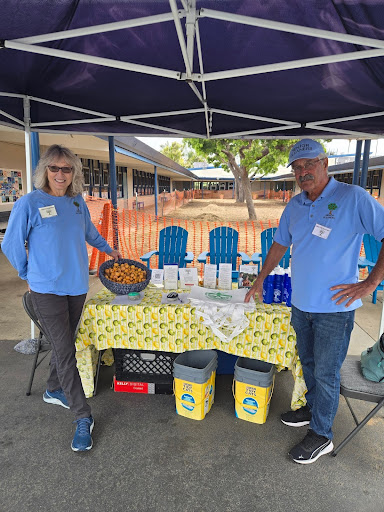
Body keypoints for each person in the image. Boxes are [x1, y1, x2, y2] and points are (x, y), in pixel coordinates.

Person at [245, 138, 384, 464]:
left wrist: (371, 282)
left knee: (326, 373)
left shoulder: (353, 198)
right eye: (297, 167)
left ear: (324, 162)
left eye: (309, 164)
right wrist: (262, 277)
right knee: (307, 364)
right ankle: (312, 408)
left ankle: (322, 435)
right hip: (301, 305)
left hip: (334, 311)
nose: (302, 171)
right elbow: (280, 244)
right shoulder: (295, 205)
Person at [2, 144, 121, 452]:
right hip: (46, 289)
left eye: (66, 169)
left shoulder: (77, 202)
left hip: (77, 285)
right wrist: (28, 274)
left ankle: (54, 388)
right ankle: (83, 416)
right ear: (44, 171)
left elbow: (89, 233)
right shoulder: (29, 203)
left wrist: (109, 249)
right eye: (53, 168)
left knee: (63, 340)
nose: (59, 174)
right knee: (65, 347)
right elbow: (12, 244)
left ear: (74, 174)